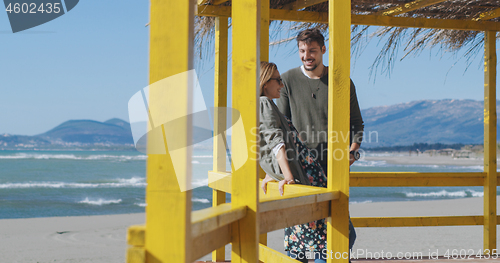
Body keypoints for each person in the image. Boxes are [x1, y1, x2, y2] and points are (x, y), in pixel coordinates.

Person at [277, 29, 365, 256]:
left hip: (333, 168)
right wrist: (278, 169)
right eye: (302, 51)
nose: (307, 56)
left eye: (312, 51)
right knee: (300, 234)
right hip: (300, 168)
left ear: (323, 50)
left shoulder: (341, 82)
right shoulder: (286, 80)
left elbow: (356, 124)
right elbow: (282, 127)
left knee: (342, 232)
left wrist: (352, 153)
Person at [259, 61, 329, 263]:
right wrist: (286, 176)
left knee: (305, 236)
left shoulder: (269, 104)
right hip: (303, 175)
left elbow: (272, 143)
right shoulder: (264, 103)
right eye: (278, 80)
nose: (281, 85)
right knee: (325, 238)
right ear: (265, 83)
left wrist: (270, 174)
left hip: (306, 173)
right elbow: (274, 141)